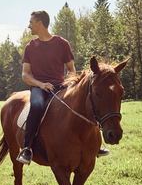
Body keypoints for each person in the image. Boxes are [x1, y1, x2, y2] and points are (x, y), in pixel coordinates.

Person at [16, 11, 109, 165]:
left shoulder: (62, 44)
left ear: (40, 23)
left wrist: (69, 84)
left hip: (61, 86)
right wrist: (41, 84)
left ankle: (97, 144)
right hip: (39, 88)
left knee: (85, 103)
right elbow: (25, 75)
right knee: (37, 105)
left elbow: (72, 70)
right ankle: (27, 148)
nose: (29, 26)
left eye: (31, 22)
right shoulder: (30, 47)